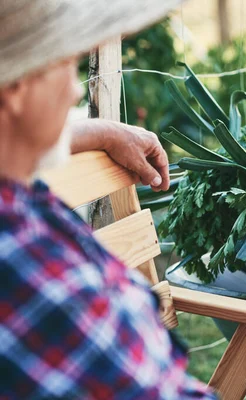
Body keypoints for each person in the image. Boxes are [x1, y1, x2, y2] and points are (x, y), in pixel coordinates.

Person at [0, 0, 217, 398]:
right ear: (16, 87)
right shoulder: (26, 265)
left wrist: (101, 133)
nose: (72, 91)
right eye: (66, 63)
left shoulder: (18, 191)